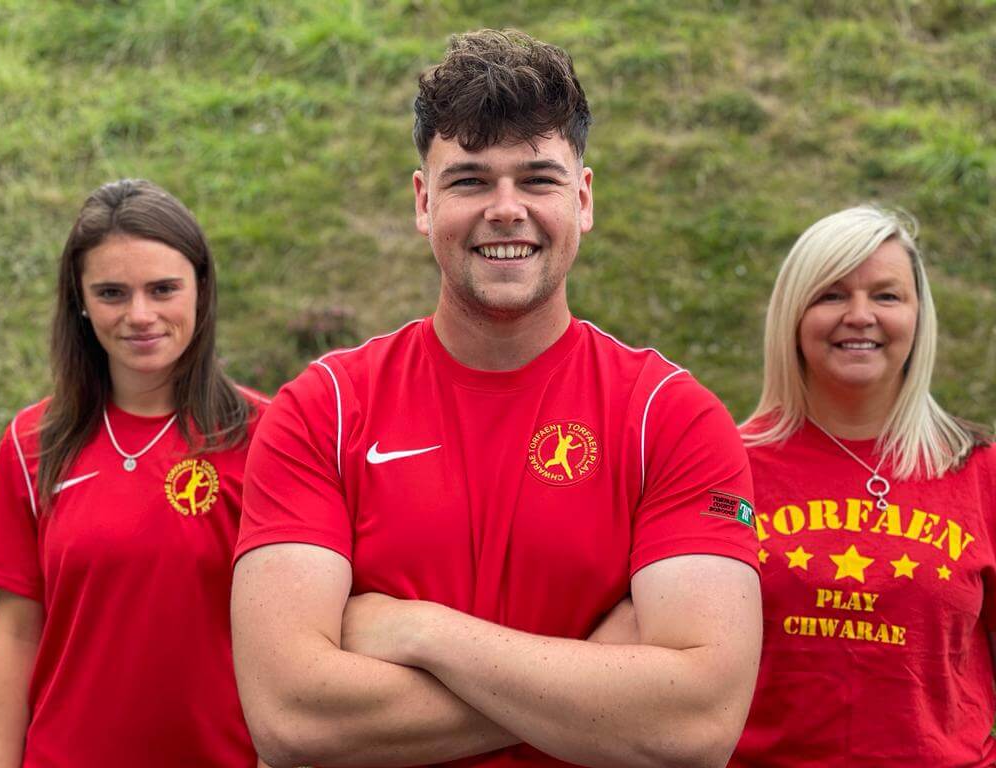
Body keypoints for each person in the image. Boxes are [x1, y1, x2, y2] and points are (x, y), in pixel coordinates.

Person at [233, 29, 762, 768]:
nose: (506, 209)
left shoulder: (671, 418)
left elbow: (697, 726)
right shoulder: (323, 411)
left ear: (583, 199)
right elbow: (291, 718)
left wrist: (420, 632)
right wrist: (593, 685)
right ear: (424, 202)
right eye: (471, 180)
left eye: (538, 179)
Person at [0, 179, 268, 767]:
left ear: (201, 291)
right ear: (79, 301)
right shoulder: (33, 443)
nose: (140, 315)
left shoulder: (267, 437)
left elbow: (294, 632)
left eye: (163, 289)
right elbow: (17, 633)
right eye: (111, 293)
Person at [730, 206, 995, 767]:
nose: (859, 315)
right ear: (792, 315)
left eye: (886, 296)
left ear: (919, 316)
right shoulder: (723, 465)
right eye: (830, 295)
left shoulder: (981, 472)